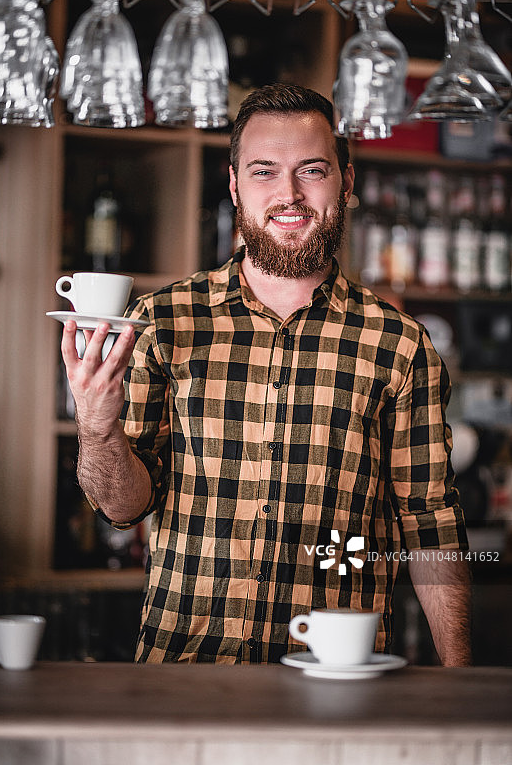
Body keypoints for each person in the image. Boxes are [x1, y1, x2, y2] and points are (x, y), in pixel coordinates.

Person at [61, 84, 471, 666]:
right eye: (264, 172)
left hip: (336, 676)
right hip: (185, 674)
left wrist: (458, 680)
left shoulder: (399, 345)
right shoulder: (160, 321)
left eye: (312, 170)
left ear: (346, 183)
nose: (289, 194)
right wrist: (98, 428)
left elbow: (431, 526)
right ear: (234, 186)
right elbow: (123, 509)